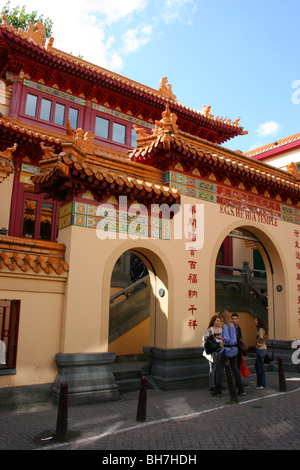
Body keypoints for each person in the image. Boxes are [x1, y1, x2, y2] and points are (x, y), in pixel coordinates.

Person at [212, 310, 245, 397]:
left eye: (221, 317)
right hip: (234, 349)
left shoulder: (225, 326)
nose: (220, 319)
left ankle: (218, 389)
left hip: (228, 349)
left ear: (223, 317)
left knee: (220, 368)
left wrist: (221, 337)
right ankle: (241, 389)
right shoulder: (233, 326)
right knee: (235, 368)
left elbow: (226, 339)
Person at [203, 315, 222, 392]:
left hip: (218, 349)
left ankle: (217, 384)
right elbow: (205, 337)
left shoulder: (220, 329)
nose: (218, 322)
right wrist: (210, 335)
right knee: (212, 368)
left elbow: (222, 339)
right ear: (213, 321)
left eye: (219, 321)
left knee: (218, 368)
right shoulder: (210, 329)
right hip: (212, 350)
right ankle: (211, 385)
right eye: (217, 321)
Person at [254, 317, 268, 389]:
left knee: (260, 367)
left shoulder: (260, 329)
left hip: (261, 349)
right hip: (262, 349)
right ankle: (260, 383)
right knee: (258, 366)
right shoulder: (261, 329)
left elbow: (261, 337)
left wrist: (258, 342)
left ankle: (262, 384)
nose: (255, 321)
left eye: (256, 320)